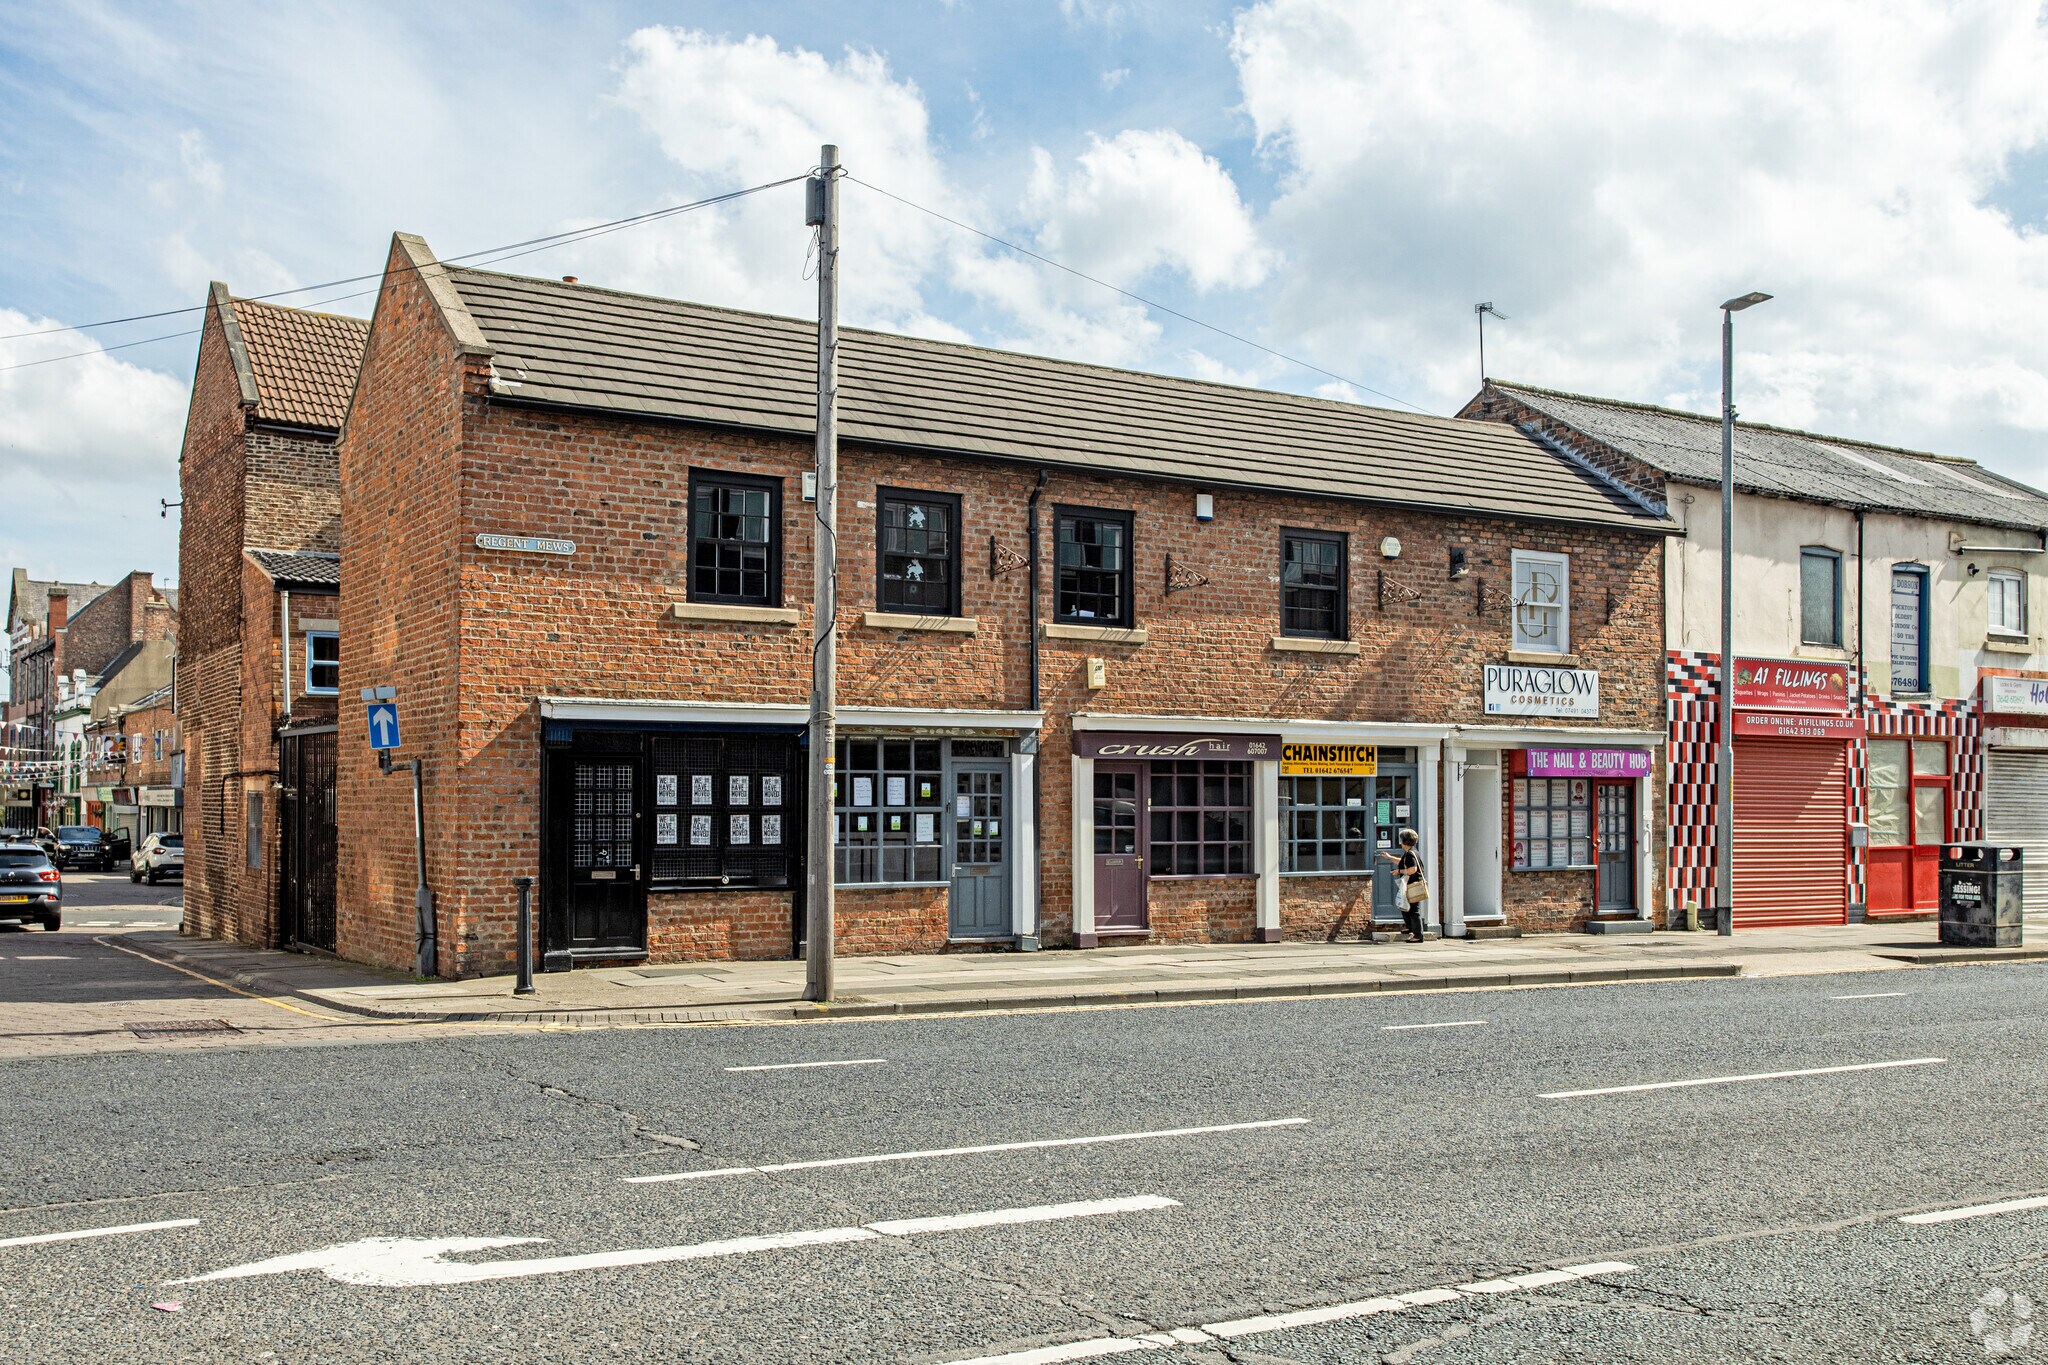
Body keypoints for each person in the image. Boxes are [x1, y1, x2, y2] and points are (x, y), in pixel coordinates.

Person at [1379, 828, 1428, 942]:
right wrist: (1389, 857)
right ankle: (1410, 928)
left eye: (1401, 840)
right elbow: (1402, 862)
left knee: (1413, 910)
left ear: (1405, 841)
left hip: (1413, 885)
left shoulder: (1410, 854)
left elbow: (1413, 869)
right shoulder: (1410, 852)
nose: (1400, 842)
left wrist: (1399, 872)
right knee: (1405, 907)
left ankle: (1418, 936)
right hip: (1410, 884)